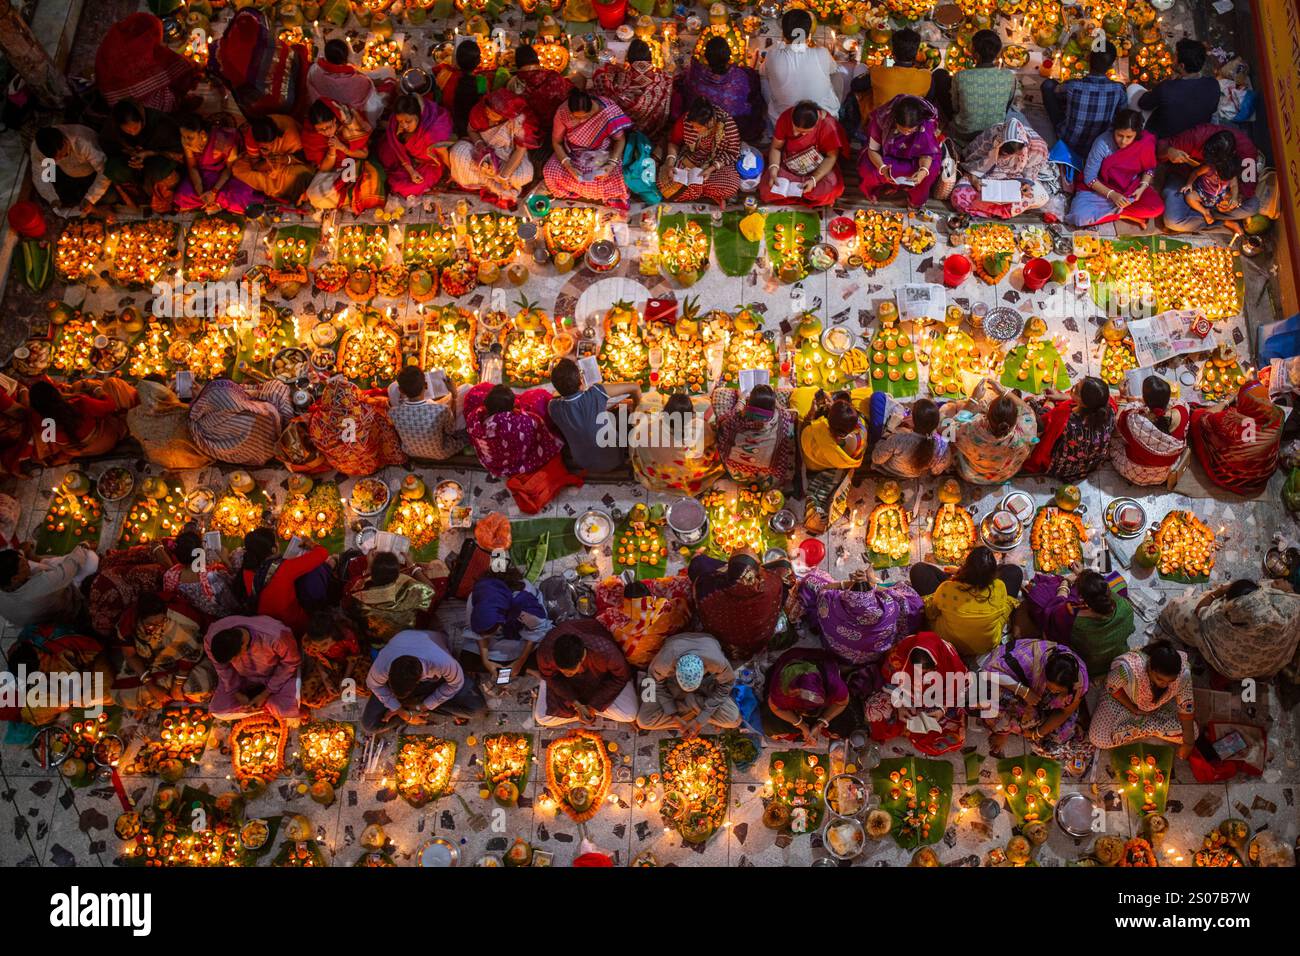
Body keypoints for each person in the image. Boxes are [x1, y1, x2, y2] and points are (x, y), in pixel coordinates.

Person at [1159, 579, 1300, 682]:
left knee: (1184, 613)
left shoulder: (1219, 624)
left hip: (1233, 669)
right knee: (1270, 584)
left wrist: (1219, 592)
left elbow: (1199, 611)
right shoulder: (1293, 606)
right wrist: (1288, 591)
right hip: (1266, 667)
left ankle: (1170, 618)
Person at [981, 639, 1091, 765]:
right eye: (1049, 687)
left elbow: (1065, 712)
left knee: (1051, 747)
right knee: (987, 698)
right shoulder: (1028, 659)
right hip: (1017, 688)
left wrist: (1037, 734)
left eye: (1057, 691)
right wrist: (1024, 691)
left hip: (1044, 706)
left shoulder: (1078, 684)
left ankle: (1023, 727)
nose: (1052, 691)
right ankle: (1005, 731)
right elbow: (987, 672)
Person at [362, 628, 487, 733]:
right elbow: (374, 685)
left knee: (477, 710)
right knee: (370, 725)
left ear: (417, 681)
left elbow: (455, 684)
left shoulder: (443, 662)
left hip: (436, 680)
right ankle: (410, 707)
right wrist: (401, 712)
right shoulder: (382, 666)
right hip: (407, 690)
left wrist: (422, 706)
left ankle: (414, 706)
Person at [864, 631, 968, 755]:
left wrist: (942, 709)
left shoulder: (949, 658)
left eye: (929, 670)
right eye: (918, 669)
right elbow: (889, 680)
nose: (923, 674)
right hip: (906, 701)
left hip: (936, 705)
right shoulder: (899, 654)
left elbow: (960, 689)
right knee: (875, 710)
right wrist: (900, 706)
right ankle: (910, 730)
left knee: (954, 737)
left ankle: (907, 730)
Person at [798, 567, 923, 666]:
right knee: (906, 600)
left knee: (812, 579)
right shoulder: (888, 608)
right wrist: (872, 582)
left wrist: (848, 583)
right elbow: (909, 602)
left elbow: (823, 589)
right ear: (874, 597)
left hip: (839, 653)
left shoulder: (830, 603)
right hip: (872, 657)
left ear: (845, 595)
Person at [1089, 641, 1196, 757]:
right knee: (1098, 738)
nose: (1165, 685)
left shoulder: (1182, 675)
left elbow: (1186, 707)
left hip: (1157, 707)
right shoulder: (1130, 670)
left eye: (1170, 681)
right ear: (1150, 668)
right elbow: (1111, 687)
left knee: (1193, 732)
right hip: (1124, 701)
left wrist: (1189, 743)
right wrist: (1133, 709)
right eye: (1160, 679)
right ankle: (1149, 726)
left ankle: (1139, 728)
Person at [911, 546, 1021, 658]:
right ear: (993, 574)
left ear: (965, 568)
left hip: (948, 641)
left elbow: (931, 613)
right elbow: (1002, 612)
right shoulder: (999, 587)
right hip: (984, 645)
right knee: (1014, 571)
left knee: (918, 570)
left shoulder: (947, 588)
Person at [113, 591, 214, 713]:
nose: (157, 628)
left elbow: (192, 652)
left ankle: (167, 696)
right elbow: (130, 655)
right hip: (149, 667)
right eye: (150, 625)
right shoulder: (129, 624)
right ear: (140, 618)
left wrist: (177, 685)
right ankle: (168, 695)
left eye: (160, 622)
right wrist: (150, 686)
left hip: (185, 666)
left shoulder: (180, 617)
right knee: (121, 695)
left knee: (203, 685)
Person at [1023, 569, 1134, 678]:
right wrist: (1085, 575)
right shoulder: (1125, 606)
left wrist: (1065, 582)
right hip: (1113, 655)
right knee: (1119, 580)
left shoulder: (1074, 620)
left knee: (1038, 595)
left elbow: (1053, 612)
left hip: (1090, 666)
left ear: (1082, 599)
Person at [1066, 110, 1164, 227]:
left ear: (1137, 134)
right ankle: (1124, 214)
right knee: (1079, 218)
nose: (1123, 141)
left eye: (1129, 137)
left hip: (1129, 189)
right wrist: (1113, 195)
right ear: (1114, 130)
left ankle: (1114, 213)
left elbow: (1149, 168)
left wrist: (1143, 186)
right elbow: (1090, 178)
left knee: (1157, 208)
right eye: (1119, 135)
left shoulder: (1145, 142)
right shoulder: (1102, 143)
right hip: (1101, 189)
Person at [534, 619, 637, 727]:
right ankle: (584, 711)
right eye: (562, 670)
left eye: (570, 671)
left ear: (582, 658)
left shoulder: (605, 651)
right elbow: (551, 678)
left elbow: (621, 676)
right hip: (567, 685)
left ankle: (587, 711)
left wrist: (593, 706)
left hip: (601, 681)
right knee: (542, 718)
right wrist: (576, 704)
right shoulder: (545, 652)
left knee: (629, 714)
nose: (566, 674)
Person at [448, 88, 540, 209]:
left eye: (494, 115)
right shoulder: (479, 111)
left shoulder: (519, 120)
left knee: (523, 176)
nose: (489, 116)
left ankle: (494, 184)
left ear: (506, 116)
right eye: (488, 111)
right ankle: (494, 184)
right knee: (457, 153)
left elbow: (520, 150)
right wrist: (481, 146)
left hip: (508, 156)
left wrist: (504, 176)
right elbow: (471, 130)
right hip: (483, 151)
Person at [233, 527, 333, 637]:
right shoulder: (284, 568)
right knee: (318, 570)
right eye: (276, 541)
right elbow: (322, 553)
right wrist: (311, 543)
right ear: (273, 549)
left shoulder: (247, 569)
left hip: (264, 624)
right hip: (292, 625)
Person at [543, 89, 634, 210]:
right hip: (574, 153)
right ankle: (574, 192)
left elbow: (620, 140)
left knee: (622, 177)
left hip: (604, 152)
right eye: (576, 118)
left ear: (592, 107)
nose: (581, 121)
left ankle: (611, 197)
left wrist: (611, 164)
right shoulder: (562, 112)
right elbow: (557, 142)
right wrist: (569, 166)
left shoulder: (607, 111)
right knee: (550, 172)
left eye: (586, 116)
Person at [1159, 125, 1261, 232]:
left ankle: (1205, 215)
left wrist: (1234, 200)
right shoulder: (1196, 137)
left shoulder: (1246, 151)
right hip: (1184, 179)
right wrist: (1169, 152)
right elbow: (1159, 147)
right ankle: (1220, 220)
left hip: (1218, 194)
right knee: (1173, 221)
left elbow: (1248, 188)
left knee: (1253, 206)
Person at [3, 626, 112, 725]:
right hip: (74, 676)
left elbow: (76, 681)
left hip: (97, 662)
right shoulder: (24, 647)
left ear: (41, 656)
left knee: (100, 694)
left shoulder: (61, 651)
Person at [1188, 380, 1282, 496]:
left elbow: (1204, 418)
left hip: (1233, 478)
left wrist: (1226, 401)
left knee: (1197, 416)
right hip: (1259, 478)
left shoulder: (1229, 421)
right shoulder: (1278, 415)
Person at [548, 358, 641, 473]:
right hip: (613, 459)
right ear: (581, 384)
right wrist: (636, 411)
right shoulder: (595, 393)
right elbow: (635, 387)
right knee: (624, 411)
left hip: (582, 461)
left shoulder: (553, 407)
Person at [94, 11, 197, 114]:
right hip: (139, 110)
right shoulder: (143, 51)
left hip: (116, 103)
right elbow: (171, 65)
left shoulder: (115, 41)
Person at [689, 552, 787, 660]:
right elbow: (781, 573)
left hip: (728, 641)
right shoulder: (771, 585)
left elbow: (700, 581)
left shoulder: (710, 589)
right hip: (758, 639)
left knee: (700, 563)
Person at [637, 632, 742, 732]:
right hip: (672, 684)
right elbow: (653, 683)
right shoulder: (663, 664)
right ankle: (692, 711)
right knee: (644, 721)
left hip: (706, 683)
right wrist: (674, 716)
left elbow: (726, 685)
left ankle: (691, 707)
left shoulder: (717, 663)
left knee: (734, 720)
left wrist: (700, 720)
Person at [204, 614, 301, 720]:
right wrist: (236, 692)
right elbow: (222, 668)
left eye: (234, 658)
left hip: (275, 675)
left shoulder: (276, 636)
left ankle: (261, 705)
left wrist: (265, 693)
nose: (233, 662)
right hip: (242, 678)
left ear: (243, 644)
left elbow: (291, 663)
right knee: (218, 711)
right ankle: (259, 707)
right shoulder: (212, 636)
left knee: (287, 709)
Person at [951, 117, 1052, 219]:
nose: (1005, 157)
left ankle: (984, 208)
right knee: (958, 195)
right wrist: (974, 180)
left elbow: (1032, 170)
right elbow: (972, 159)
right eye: (1002, 153)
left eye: (1010, 154)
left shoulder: (1037, 148)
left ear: (1022, 148)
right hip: (985, 176)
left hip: (1015, 179)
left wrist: (1027, 184)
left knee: (1039, 197)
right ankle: (998, 211)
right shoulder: (993, 134)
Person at [1040, 42, 1125, 161]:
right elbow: (1122, 112)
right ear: (1112, 66)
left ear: (1088, 59)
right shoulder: (1118, 89)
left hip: (1068, 140)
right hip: (1098, 145)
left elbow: (1057, 92)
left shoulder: (1073, 85)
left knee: (1048, 85)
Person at [1023, 376, 1116, 482]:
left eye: (1076, 389)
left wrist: (1049, 404)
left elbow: (1042, 432)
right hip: (1091, 463)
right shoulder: (1108, 409)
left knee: (1038, 406)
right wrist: (1061, 396)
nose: (1073, 387)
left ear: (1081, 401)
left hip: (1063, 466)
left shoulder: (1063, 418)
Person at [25, 378, 135, 467]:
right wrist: (97, 390)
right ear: (56, 394)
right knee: (112, 384)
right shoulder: (80, 404)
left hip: (90, 451)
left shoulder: (45, 426)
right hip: (108, 440)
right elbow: (110, 406)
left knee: (79, 385)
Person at [308, 376, 406, 476]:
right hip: (369, 462)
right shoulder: (367, 412)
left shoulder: (317, 420)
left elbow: (317, 442)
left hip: (345, 466)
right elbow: (386, 419)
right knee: (383, 424)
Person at [674, 35, 764, 143]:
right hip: (734, 128)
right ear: (729, 56)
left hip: (703, 126)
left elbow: (682, 84)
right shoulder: (741, 76)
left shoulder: (695, 76)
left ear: (706, 58)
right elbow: (754, 86)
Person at [465, 568, 550, 681]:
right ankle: (518, 667)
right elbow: (479, 632)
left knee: (540, 658)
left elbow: (537, 630)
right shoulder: (477, 597)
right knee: (467, 660)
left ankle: (522, 668)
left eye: (493, 632)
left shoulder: (524, 604)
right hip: (503, 630)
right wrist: (485, 661)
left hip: (525, 628)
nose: (488, 637)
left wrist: (520, 661)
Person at [857, 94, 941, 209]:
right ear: (895, 120)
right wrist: (882, 168)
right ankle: (877, 189)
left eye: (911, 130)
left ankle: (915, 200)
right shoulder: (883, 120)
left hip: (915, 160)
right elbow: (873, 150)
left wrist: (923, 170)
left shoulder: (925, 124)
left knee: (930, 171)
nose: (906, 133)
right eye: (902, 129)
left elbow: (927, 153)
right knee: (867, 170)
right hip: (887, 156)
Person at [463, 383, 564, 479]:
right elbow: (537, 426)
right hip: (510, 460)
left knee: (475, 394)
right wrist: (521, 413)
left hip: (490, 460)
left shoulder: (473, 418)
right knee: (539, 399)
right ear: (512, 407)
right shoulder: (523, 423)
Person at [629, 391, 721, 495]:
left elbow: (634, 447)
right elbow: (711, 442)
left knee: (651, 398)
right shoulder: (701, 428)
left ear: (665, 411)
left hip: (658, 474)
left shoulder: (646, 428)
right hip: (687, 476)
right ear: (691, 415)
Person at [301, 99, 384, 214]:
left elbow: (364, 154)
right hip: (333, 171)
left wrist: (342, 148)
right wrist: (332, 151)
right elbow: (324, 169)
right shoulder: (311, 135)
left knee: (372, 182)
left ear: (335, 120)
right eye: (320, 130)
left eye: (328, 127)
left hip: (355, 164)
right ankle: (350, 199)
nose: (326, 132)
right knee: (314, 195)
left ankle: (348, 199)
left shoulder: (348, 122)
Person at [188, 376, 294, 466]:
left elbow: (228, 398)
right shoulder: (255, 414)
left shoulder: (200, 429)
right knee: (277, 388)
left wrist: (199, 395)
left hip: (257, 454)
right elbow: (270, 407)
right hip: (272, 438)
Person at [943, 385, 1038, 484]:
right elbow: (1028, 411)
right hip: (1002, 476)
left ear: (986, 414)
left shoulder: (971, 428)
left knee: (953, 406)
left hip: (973, 474)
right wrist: (1004, 392)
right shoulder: (1024, 431)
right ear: (1016, 419)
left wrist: (973, 400)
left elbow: (947, 431)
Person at [594, 573, 694, 668]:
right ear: (649, 596)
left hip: (640, 661)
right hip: (665, 656)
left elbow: (600, 620)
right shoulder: (663, 606)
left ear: (625, 600)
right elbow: (681, 606)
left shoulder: (614, 616)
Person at [761, 9, 840, 126]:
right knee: (836, 75)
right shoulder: (822, 53)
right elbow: (833, 70)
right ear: (808, 34)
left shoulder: (772, 55)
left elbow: (763, 72)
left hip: (784, 122)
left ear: (783, 33)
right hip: (824, 121)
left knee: (764, 77)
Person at [101, 100, 183, 213]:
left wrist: (149, 153)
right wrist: (129, 153)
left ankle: (162, 203)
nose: (133, 133)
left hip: (158, 159)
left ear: (141, 119)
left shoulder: (160, 123)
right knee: (113, 168)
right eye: (128, 130)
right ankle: (139, 202)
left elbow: (176, 150)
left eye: (135, 128)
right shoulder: (113, 127)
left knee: (159, 171)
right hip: (131, 160)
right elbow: (109, 146)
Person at [761, 100, 848, 207]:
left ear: (816, 124)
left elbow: (831, 157)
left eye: (804, 133)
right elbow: (776, 148)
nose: (796, 134)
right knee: (767, 188)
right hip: (789, 163)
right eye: (795, 129)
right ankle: (800, 195)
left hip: (817, 166)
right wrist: (773, 170)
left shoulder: (828, 125)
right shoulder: (786, 117)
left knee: (831, 189)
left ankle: (800, 194)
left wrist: (814, 180)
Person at [658, 97, 742, 206]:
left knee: (731, 185)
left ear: (711, 121)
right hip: (692, 158)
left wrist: (711, 169)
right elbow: (674, 142)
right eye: (694, 127)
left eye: (700, 128)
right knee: (665, 187)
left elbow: (732, 152)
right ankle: (708, 193)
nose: (696, 130)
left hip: (716, 162)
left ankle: (695, 191)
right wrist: (669, 164)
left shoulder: (726, 124)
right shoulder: (685, 120)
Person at [801, 394, 867, 532]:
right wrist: (835, 410)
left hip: (816, 466)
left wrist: (812, 413)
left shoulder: (815, 431)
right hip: (840, 464)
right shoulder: (860, 434)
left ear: (829, 422)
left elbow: (803, 431)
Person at [712, 384, 797, 489]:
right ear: (772, 407)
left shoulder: (736, 420)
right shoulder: (782, 418)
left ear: (749, 405)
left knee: (719, 393)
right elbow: (785, 412)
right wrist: (772, 399)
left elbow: (724, 425)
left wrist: (741, 399)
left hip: (737, 472)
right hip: (769, 472)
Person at [174, 114, 262, 214]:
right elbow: (193, 167)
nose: (186, 141)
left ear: (202, 134)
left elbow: (229, 169)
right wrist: (201, 193)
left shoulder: (225, 140)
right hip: (202, 175)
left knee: (239, 197)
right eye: (183, 136)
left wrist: (213, 192)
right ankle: (212, 203)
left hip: (225, 176)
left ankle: (217, 202)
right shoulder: (186, 142)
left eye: (189, 137)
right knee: (183, 195)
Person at [1110, 374, 1189, 486]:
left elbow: (1118, 423)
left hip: (1136, 472)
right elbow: (1178, 403)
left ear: (1144, 400)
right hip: (1162, 474)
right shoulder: (1182, 410)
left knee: (1115, 439)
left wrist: (1123, 397)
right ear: (1168, 398)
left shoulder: (1134, 419)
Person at [344, 550, 437, 645]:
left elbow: (348, 596)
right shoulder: (411, 589)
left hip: (373, 644)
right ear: (398, 575)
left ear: (373, 575)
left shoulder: (358, 595)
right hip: (404, 643)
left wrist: (368, 569)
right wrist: (412, 566)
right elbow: (432, 590)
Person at [590, 38, 674, 139]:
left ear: (628, 59)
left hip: (622, 126)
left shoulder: (622, 79)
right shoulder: (663, 78)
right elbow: (667, 89)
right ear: (649, 58)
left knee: (600, 75)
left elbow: (604, 80)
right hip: (650, 126)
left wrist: (614, 68)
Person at [765, 646, 849, 743]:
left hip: (822, 660)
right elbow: (775, 707)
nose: (805, 712)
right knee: (769, 725)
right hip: (793, 657)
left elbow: (843, 702)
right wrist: (801, 725)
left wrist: (820, 723)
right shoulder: (780, 689)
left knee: (841, 726)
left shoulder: (833, 683)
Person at [1138, 39, 1219, 140]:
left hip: (1164, 139)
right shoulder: (1213, 85)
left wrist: (1165, 85)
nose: (1172, 57)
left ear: (1182, 66)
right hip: (1194, 135)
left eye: (1175, 55)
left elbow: (1143, 103)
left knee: (1134, 89)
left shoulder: (1167, 88)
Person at [0, 544, 97, 628]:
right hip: (66, 612)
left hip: (33, 619)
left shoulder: (5, 584)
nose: (26, 563)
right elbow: (71, 565)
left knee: (37, 565)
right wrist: (84, 546)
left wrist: (21, 552)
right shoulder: (43, 584)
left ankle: (36, 558)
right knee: (91, 558)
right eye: (23, 565)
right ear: (15, 579)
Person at [377, 93, 454, 199]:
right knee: (385, 152)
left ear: (419, 116)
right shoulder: (398, 119)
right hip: (408, 155)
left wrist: (453, 173)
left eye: (408, 121)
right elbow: (396, 143)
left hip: (429, 161)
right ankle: (404, 167)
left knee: (409, 187)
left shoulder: (433, 132)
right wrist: (411, 171)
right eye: (400, 121)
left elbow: (443, 154)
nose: (404, 125)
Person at [127, 376, 212, 471]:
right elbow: (209, 418)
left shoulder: (132, 417)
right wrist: (201, 395)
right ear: (164, 391)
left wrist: (166, 396)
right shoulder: (185, 412)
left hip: (160, 462)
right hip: (193, 461)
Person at [948, 29, 1017, 145]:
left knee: (940, 76)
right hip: (993, 133)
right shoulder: (1009, 76)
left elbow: (955, 107)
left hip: (965, 133)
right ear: (998, 54)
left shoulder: (961, 76)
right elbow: (1007, 104)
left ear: (976, 54)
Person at [30, 125, 111, 217]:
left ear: (65, 142)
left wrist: (90, 198)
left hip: (92, 172)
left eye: (62, 155)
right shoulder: (38, 149)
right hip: (65, 172)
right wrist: (52, 198)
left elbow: (104, 171)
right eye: (53, 159)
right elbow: (39, 175)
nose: (57, 160)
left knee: (107, 199)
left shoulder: (83, 142)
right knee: (61, 203)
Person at [231, 114, 312, 205]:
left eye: (271, 144)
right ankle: (281, 189)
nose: (268, 149)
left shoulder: (289, 133)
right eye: (263, 147)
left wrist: (287, 159)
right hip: (268, 164)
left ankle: (281, 190)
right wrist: (269, 163)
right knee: (238, 169)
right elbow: (255, 164)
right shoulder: (251, 136)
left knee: (302, 173)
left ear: (277, 136)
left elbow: (305, 157)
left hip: (291, 162)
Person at [307, 37, 389, 127]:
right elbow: (370, 97)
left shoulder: (315, 70)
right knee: (387, 73)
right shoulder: (357, 81)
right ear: (345, 58)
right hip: (347, 117)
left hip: (326, 110)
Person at [300, 611, 370, 711]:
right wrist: (325, 679)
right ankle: (335, 692)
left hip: (351, 664)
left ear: (333, 636)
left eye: (324, 644)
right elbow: (317, 659)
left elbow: (353, 659)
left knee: (367, 687)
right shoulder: (308, 642)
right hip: (328, 666)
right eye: (316, 645)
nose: (320, 648)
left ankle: (339, 689)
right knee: (307, 697)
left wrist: (346, 678)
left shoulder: (347, 636)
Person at [161, 530, 239, 619]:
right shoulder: (212, 577)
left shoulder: (170, 575)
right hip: (218, 622)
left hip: (190, 621)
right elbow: (233, 604)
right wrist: (226, 562)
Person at [387, 365, 460, 460]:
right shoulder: (441, 409)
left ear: (401, 390)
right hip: (441, 452)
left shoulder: (393, 413)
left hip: (410, 451)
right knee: (463, 436)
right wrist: (454, 396)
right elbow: (451, 430)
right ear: (426, 386)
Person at [861, 28, 940, 114]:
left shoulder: (878, 72)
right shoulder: (926, 77)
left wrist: (886, 65)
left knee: (861, 68)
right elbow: (928, 100)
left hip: (881, 118)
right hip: (908, 119)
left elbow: (856, 85)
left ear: (892, 52)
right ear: (917, 53)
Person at [871, 397, 951, 479]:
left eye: (912, 413)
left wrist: (888, 430)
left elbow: (876, 459)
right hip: (914, 474)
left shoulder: (899, 439)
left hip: (891, 470)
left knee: (877, 397)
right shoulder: (940, 444)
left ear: (913, 420)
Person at [1175, 153, 1249, 234]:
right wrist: (1189, 184)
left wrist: (1234, 198)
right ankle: (1205, 212)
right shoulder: (1208, 168)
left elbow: (1234, 185)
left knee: (1232, 201)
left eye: (1226, 179)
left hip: (1219, 195)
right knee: (1189, 197)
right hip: (1202, 192)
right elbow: (1195, 173)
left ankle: (1220, 215)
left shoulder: (1231, 174)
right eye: (1220, 177)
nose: (1221, 181)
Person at [510, 43, 573, 129]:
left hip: (532, 128)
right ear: (536, 59)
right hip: (560, 123)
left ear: (517, 63)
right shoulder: (554, 76)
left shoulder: (513, 84)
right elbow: (569, 90)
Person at [435, 39, 490, 137]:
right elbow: (484, 104)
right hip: (472, 125)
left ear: (456, 60)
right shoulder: (481, 81)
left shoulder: (446, 75)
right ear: (478, 62)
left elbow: (438, 98)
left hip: (450, 121)